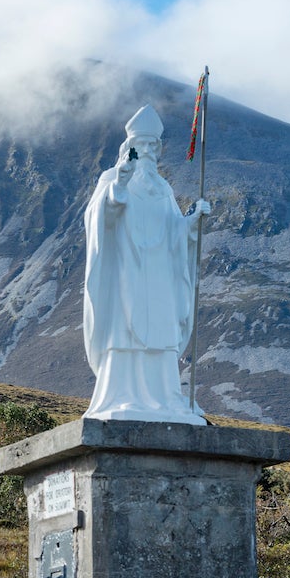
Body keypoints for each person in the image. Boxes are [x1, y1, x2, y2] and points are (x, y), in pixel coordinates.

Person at [82, 103, 211, 424]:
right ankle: (124, 395)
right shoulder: (112, 178)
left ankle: (167, 398)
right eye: (144, 146)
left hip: (159, 276)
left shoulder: (163, 189)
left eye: (155, 146)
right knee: (127, 331)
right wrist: (120, 186)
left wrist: (192, 223)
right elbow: (100, 219)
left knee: (161, 333)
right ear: (130, 148)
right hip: (127, 273)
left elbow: (173, 231)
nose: (150, 151)